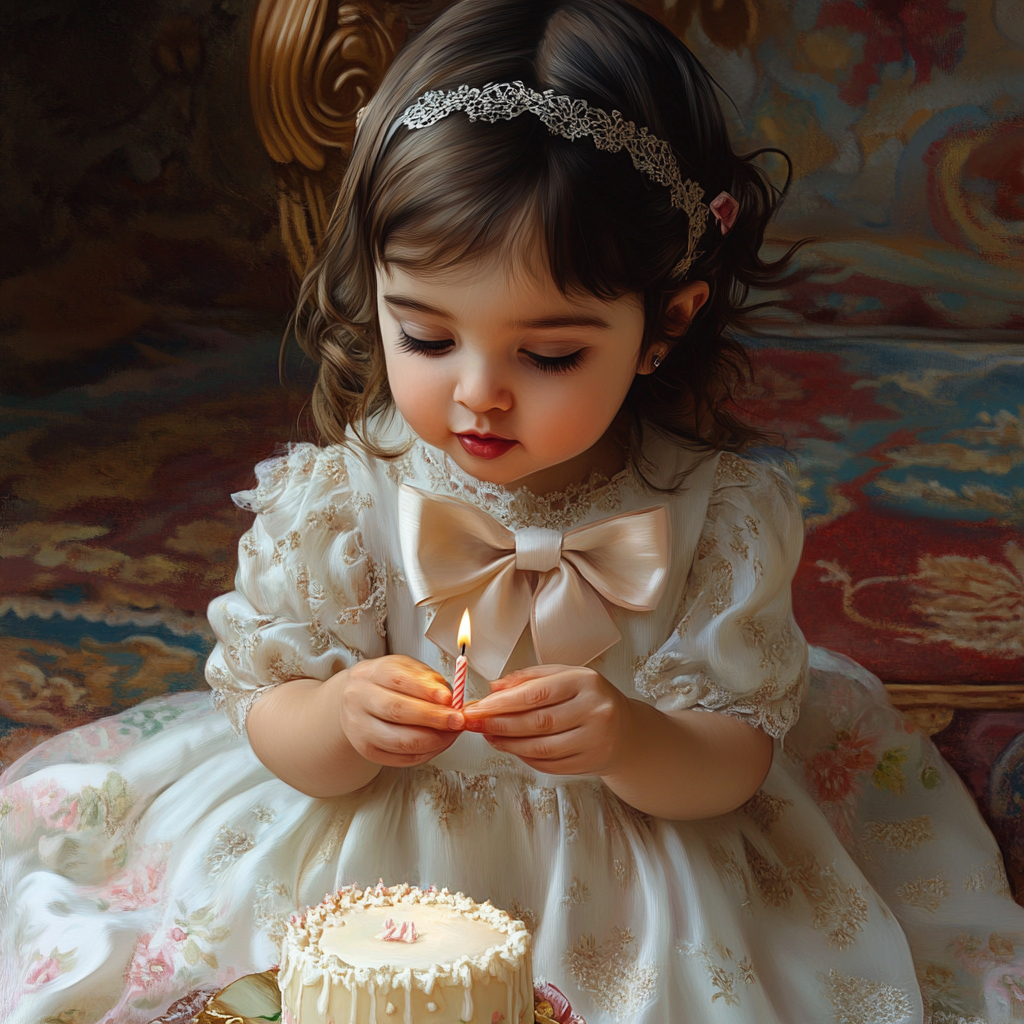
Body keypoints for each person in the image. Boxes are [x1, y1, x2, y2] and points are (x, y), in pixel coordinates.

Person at [3, 1, 1023, 1021]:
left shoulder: (711, 516)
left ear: (666, 322)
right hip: (363, 864)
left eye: (548, 354)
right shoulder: (343, 499)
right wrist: (339, 717)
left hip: (627, 880)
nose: (477, 393)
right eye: (428, 336)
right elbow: (273, 717)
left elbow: (730, 765)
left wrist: (631, 737)